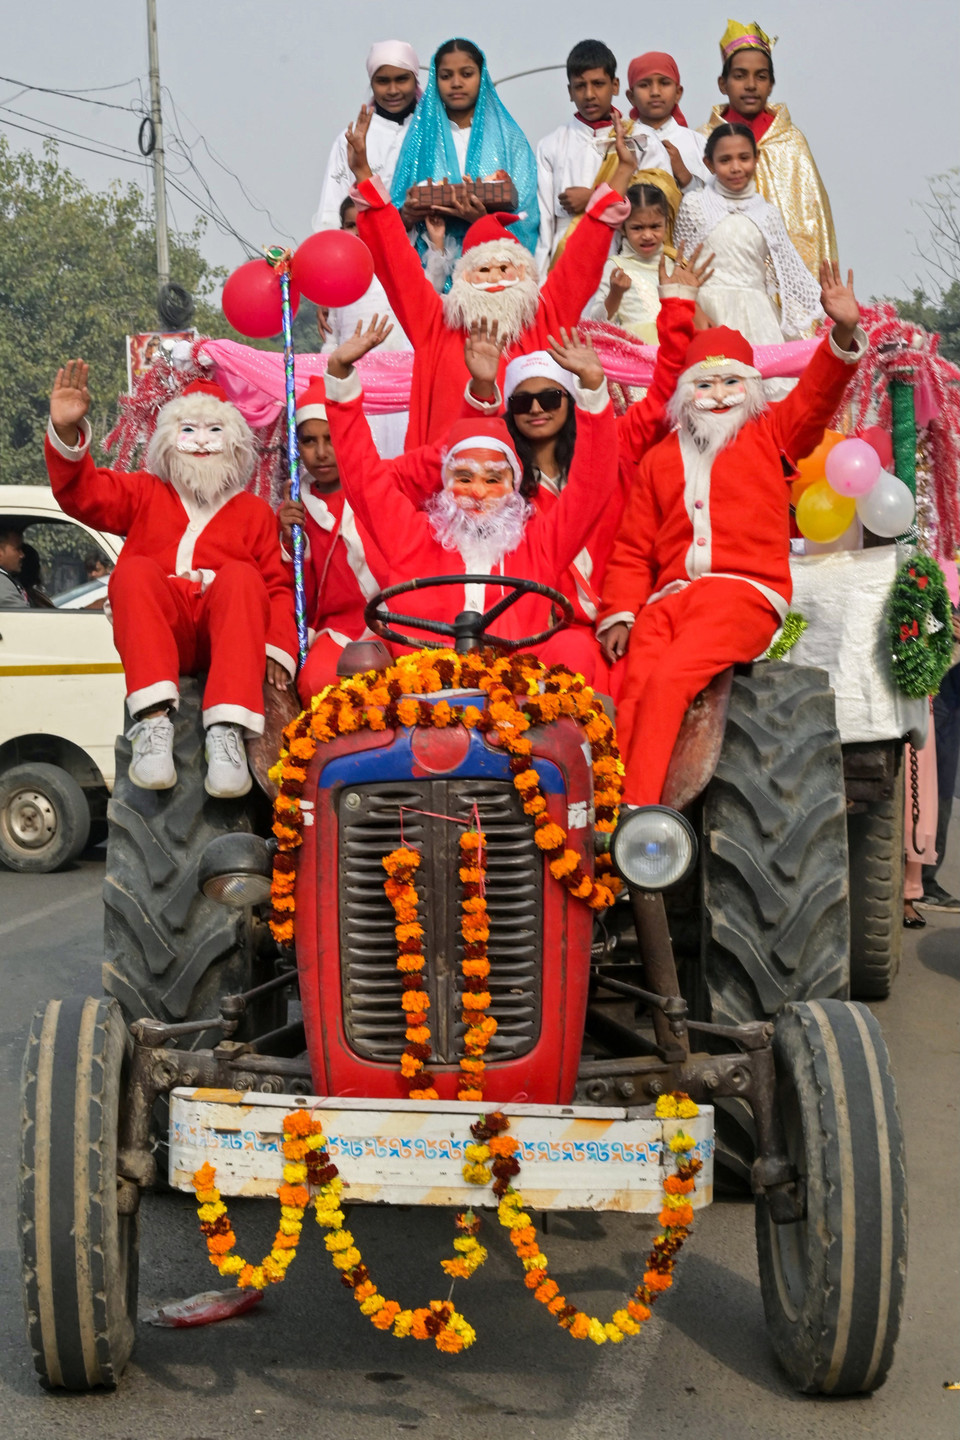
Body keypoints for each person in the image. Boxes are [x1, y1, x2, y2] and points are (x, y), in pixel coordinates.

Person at [598, 262, 866, 807]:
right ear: (684, 393)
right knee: (635, 683)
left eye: (730, 383)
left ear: (750, 390)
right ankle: (604, 809)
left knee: (673, 678)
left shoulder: (772, 434)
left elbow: (816, 395)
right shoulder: (658, 461)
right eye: (704, 384)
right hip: (669, 599)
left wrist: (840, 334)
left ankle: (639, 819)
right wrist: (622, 612)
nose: (718, 395)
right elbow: (631, 549)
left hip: (743, 593)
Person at [45, 365, 297, 798]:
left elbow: (275, 586)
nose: (201, 442)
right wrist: (68, 435)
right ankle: (153, 724)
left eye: (214, 430)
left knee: (242, 577)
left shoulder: (254, 511)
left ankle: (226, 733)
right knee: (134, 570)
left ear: (233, 441)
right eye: (189, 430)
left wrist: (278, 648)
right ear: (168, 439)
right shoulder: (144, 492)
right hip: (164, 632)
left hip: (227, 637)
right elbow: (83, 496)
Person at [321, 320, 619, 683]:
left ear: (513, 486)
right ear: (445, 484)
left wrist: (592, 386)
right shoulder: (411, 536)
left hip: (520, 703)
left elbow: (592, 486)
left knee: (574, 651)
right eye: (464, 478)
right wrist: (340, 378)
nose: (477, 491)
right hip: (422, 700)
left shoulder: (538, 543)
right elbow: (363, 476)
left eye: (493, 479)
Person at [346, 104, 639, 448]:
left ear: (526, 275)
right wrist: (363, 172)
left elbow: (583, 255)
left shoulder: (545, 317)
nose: (495, 278)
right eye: (483, 270)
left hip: (530, 480)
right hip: (448, 479)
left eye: (505, 268)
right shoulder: (436, 324)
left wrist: (622, 173)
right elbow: (395, 260)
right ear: (463, 280)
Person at [676, 123, 822, 395]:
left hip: (757, 318)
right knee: (711, 394)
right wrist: (692, 307)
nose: (735, 167)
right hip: (706, 315)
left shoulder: (768, 214)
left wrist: (824, 306)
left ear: (756, 159)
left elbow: (791, 273)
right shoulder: (694, 205)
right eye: (725, 160)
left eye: (744, 158)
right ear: (709, 163)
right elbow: (679, 267)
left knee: (766, 397)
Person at [277, 374, 388, 703]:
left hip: (395, 618)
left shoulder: (382, 485)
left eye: (332, 438)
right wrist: (289, 541)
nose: (322, 452)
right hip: (337, 631)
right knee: (316, 683)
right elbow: (300, 599)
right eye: (309, 441)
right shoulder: (296, 508)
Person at [700, 19, 837, 278]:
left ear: (771, 84)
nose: (751, 85)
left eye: (760, 77)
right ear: (722, 83)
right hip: (725, 280)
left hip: (789, 283)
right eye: (740, 76)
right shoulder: (702, 140)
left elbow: (815, 225)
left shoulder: (792, 142)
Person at [390, 38, 539, 275]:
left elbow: (527, 213)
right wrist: (407, 215)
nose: (456, 83)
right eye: (446, 76)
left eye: (467, 74)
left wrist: (483, 222)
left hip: (494, 274)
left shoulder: (510, 139)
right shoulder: (419, 140)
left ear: (482, 77)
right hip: (431, 272)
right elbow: (394, 213)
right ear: (435, 81)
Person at [534, 39, 671, 278]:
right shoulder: (551, 145)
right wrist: (540, 282)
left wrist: (593, 199)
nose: (589, 94)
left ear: (615, 85)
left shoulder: (641, 138)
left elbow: (662, 197)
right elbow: (544, 223)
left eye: (598, 84)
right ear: (569, 91)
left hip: (630, 261)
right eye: (580, 86)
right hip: (568, 262)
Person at [319, 196, 412, 457]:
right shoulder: (335, 283)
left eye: (366, 224)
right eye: (351, 225)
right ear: (341, 231)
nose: (359, 232)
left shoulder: (399, 270)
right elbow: (332, 340)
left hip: (396, 385)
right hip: (353, 383)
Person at [313, 40, 421, 234]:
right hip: (367, 253)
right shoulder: (352, 139)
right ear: (372, 83)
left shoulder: (433, 133)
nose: (393, 90)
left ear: (415, 80)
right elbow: (332, 211)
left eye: (402, 79)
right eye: (383, 81)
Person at [587, 178, 681, 340]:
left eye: (655, 226)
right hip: (635, 351)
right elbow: (596, 322)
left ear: (666, 224)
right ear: (623, 228)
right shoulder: (616, 267)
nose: (647, 235)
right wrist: (615, 295)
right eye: (637, 228)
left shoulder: (673, 266)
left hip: (675, 348)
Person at [624, 52, 708, 195]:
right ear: (631, 97)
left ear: (678, 93)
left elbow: (717, 205)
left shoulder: (699, 145)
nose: (655, 92)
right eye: (644, 85)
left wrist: (685, 177)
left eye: (664, 83)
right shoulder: (621, 145)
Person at [0, 528, 28, 607]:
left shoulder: (7, 579)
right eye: (17, 549)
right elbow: (24, 617)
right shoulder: (2, 585)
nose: (22, 555)